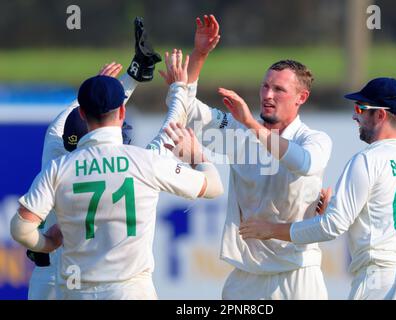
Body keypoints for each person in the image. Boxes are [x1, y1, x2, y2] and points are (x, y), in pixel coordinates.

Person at [10, 49, 224, 299]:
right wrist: (197, 153)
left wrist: (47, 243)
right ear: (122, 114)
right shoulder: (145, 163)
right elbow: (213, 186)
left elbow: (21, 229)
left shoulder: (58, 167)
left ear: (82, 113)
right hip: (130, 291)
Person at [159, 15, 332, 299]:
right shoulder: (240, 130)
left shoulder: (313, 139)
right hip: (246, 276)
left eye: (279, 89)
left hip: (298, 273)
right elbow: (187, 109)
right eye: (265, 86)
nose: (268, 94)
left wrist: (253, 126)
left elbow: (305, 164)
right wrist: (200, 55)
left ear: (302, 97)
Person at [239, 77, 396, 300]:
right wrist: (330, 210)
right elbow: (378, 221)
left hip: (385, 282)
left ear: (380, 115)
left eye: (361, 108)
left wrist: (271, 230)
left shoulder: (368, 160)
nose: (355, 115)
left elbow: (332, 226)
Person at [24, 17, 161, 300]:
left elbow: (81, 115)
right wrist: (132, 77)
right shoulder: (123, 161)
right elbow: (105, 117)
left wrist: (104, 88)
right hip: (99, 281)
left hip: (53, 276)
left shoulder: (57, 154)